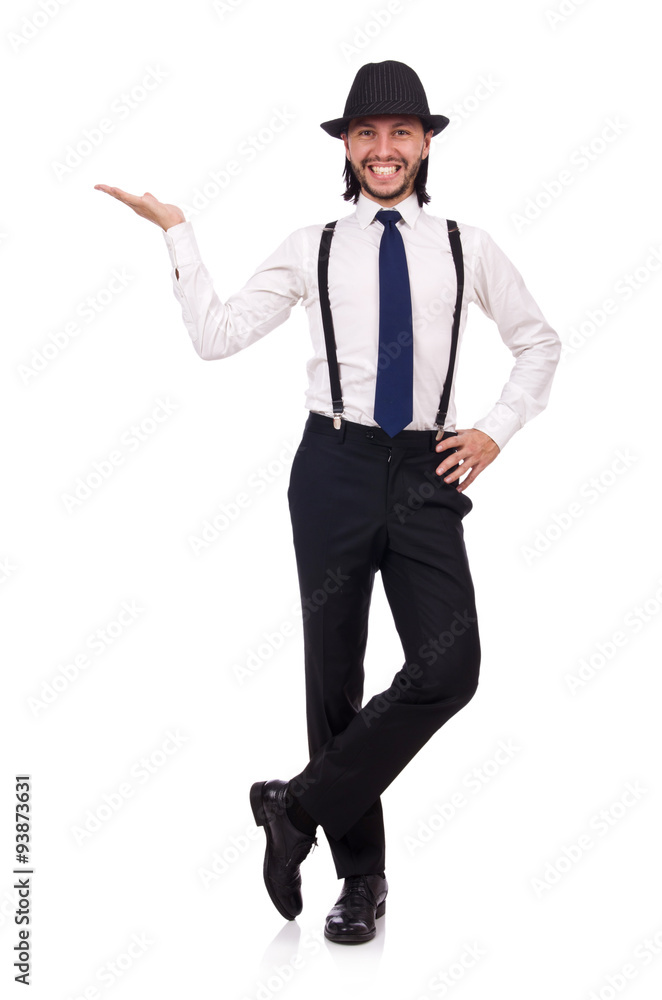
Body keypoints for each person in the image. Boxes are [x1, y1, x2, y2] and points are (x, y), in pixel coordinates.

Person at [95, 59, 561, 945]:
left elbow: (539, 342)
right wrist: (179, 232)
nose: (383, 150)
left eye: (401, 134)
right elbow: (216, 336)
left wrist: (496, 429)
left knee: (449, 670)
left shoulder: (467, 246)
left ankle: (294, 805)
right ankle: (362, 882)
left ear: (426, 143)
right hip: (332, 468)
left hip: (429, 471)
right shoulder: (313, 244)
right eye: (366, 134)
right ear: (346, 148)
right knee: (333, 677)